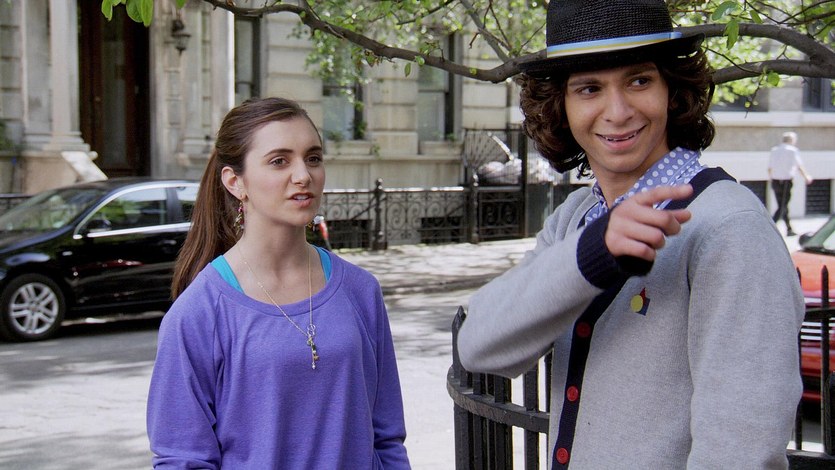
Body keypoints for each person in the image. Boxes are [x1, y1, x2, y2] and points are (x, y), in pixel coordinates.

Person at [457, 1, 804, 468]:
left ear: (671, 90)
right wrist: (591, 255)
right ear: (561, 105)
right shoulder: (576, 217)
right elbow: (479, 346)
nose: (617, 112)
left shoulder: (730, 227)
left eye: (639, 81)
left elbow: (740, 451)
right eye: (589, 88)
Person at [147, 97, 411, 469]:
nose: (303, 175)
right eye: (279, 161)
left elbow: (386, 436)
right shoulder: (199, 312)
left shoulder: (360, 290)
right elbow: (183, 458)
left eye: (313, 158)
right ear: (235, 181)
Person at [769, 131, 813, 236]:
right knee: (782, 206)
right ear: (792, 140)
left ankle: (789, 229)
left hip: (775, 181)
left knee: (783, 205)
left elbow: (770, 167)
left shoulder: (774, 150)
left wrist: (771, 179)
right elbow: (799, 165)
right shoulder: (793, 151)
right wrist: (806, 176)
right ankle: (770, 226)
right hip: (786, 182)